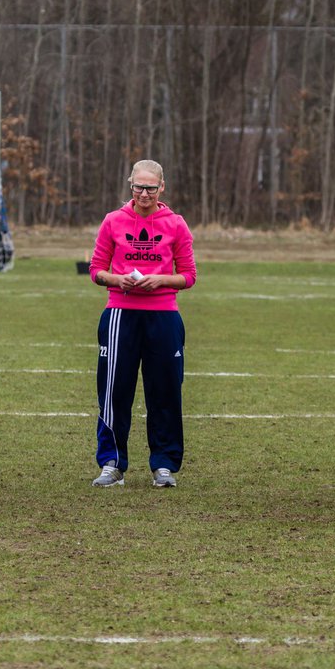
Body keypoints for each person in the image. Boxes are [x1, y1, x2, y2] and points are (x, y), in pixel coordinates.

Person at [88, 159, 196, 488]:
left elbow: (188, 276)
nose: (144, 193)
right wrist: (117, 279)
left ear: (162, 187)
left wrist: (161, 280)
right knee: (114, 392)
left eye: (150, 187)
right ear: (130, 185)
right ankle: (112, 463)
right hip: (121, 314)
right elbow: (96, 270)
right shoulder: (113, 221)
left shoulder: (176, 224)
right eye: (138, 186)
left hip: (163, 318)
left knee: (164, 392)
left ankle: (164, 465)